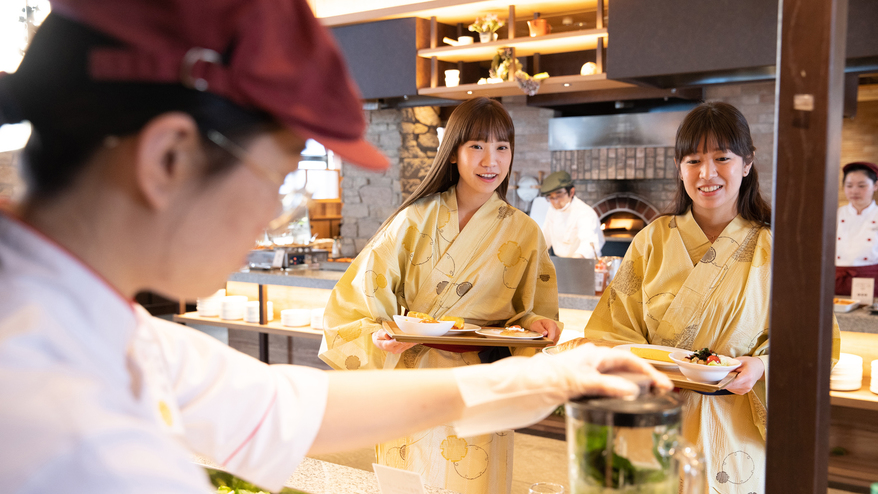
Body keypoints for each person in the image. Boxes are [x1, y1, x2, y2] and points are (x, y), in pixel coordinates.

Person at [0, 2, 672, 493]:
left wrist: (539, 375)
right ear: (169, 158)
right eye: (279, 174)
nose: (275, 209)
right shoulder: (71, 436)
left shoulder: (93, 325)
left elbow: (275, 406)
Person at [581, 101, 840, 493]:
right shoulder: (652, 240)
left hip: (737, 431)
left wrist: (763, 365)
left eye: (722, 157)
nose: (707, 173)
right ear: (679, 167)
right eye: (693, 160)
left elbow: (816, 341)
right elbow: (609, 332)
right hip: (657, 419)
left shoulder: (778, 248)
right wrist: (650, 370)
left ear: (747, 163)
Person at [319, 97, 562, 493]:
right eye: (477, 146)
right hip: (411, 380)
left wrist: (534, 325)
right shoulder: (414, 219)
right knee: (410, 482)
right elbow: (359, 298)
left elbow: (527, 315)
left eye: (502, 147)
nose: (491, 161)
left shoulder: (525, 232)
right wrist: (379, 336)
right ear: (453, 153)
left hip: (479, 386)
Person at [835, 161, 878, 297]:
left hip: (871, 283)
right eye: (849, 185)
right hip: (836, 281)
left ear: (875, 185)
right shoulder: (834, 215)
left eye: (861, 186)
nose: (854, 191)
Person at [539, 170, 605, 258]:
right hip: (561, 262)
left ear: (571, 192)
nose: (555, 201)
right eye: (551, 197)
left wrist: (574, 261)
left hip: (582, 262)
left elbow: (589, 243)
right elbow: (545, 237)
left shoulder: (585, 212)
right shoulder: (552, 210)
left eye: (559, 196)